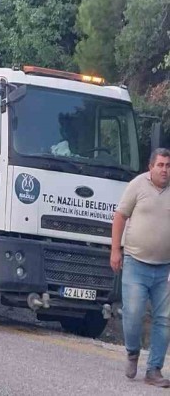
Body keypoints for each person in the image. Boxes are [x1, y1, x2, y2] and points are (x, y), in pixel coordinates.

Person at [111, 147, 170, 387]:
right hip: (136, 263)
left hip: (165, 268)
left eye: (168, 166)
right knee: (133, 314)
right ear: (150, 167)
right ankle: (132, 351)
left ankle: (154, 370)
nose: (165, 170)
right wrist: (116, 249)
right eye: (160, 165)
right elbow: (120, 216)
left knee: (165, 319)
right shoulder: (137, 185)